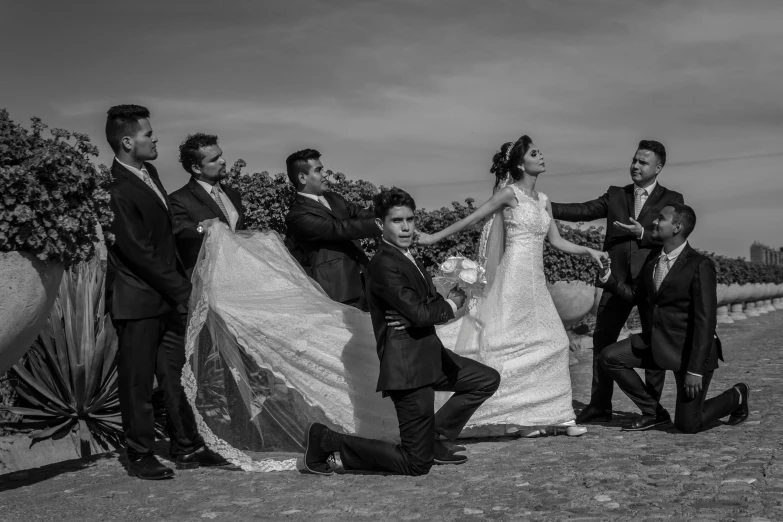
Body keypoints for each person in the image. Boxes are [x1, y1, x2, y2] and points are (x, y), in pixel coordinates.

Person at [416, 135, 606, 435]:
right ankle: (520, 418)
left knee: (553, 342)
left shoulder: (543, 200)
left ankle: (555, 415)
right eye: (534, 152)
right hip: (513, 278)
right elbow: (471, 219)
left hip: (536, 281)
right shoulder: (509, 193)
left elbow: (555, 241)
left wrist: (589, 250)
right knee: (508, 344)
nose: (541, 155)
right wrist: (432, 237)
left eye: (540, 151)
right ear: (520, 163)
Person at [303, 188, 501, 476]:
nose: (407, 227)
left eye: (410, 219)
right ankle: (326, 440)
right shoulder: (383, 265)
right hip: (408, 368)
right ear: (381, 225)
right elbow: (423, 312)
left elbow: (425, 307)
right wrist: (449, 303)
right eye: (397, 221)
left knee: (485, 380)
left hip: (429, 354)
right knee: (415, 464)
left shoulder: (408, 257)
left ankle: (433, 437)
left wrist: (424, 312)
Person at [104, 105, 229, 480]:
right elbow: (137, 251)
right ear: (128, 142)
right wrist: (184, 289)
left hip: (166, 297)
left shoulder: (149, 173)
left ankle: (186, 446)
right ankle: (140, 454)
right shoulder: (116, 188)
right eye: (147, 134)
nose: (155, 138)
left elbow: (164, 239)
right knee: (139, 380)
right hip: (138, 299)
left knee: (175, 376)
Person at [550, 140, 684, 424]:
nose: (635, 166)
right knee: (602, 341)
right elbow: (582, 210)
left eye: (643, 162)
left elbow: (675, 234)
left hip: (652, 283)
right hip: (614, 281)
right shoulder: (615, 195)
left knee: (654, 344)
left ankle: (651, 409)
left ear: (657, 168)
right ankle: (600, 405)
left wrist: (643, 234)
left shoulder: (673, 199)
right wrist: (539, 204)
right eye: (634, 160)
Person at [597, 204, 749, 433]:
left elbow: (705, 322)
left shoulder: (700, 265)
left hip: (689, 352)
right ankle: (654, 412)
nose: (654, 223)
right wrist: (607, 277)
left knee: (688, 425)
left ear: (677, 227)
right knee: (609, 357)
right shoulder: (652, 260)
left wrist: (695, 370)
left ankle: (736, 396)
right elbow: (634, 295)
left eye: (661, 219)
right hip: (657, 341)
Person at [284, 149, 380, 311]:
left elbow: (361, 214)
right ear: (302, 177)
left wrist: (391, 211)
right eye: (318, 170)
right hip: (338, 292)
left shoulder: (334, 199)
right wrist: (381, 224)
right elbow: (337, 229)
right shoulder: (297, 215)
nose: (325, 174)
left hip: (365, 283)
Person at [169, 133, 245, 278]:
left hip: (238, 277)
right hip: (204, 281)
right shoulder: (179, 199)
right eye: (214, 159)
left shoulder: (234, 194)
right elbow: (177, 228)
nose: (223, 161)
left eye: (221, 155)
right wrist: (201, 228)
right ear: (197, 168)